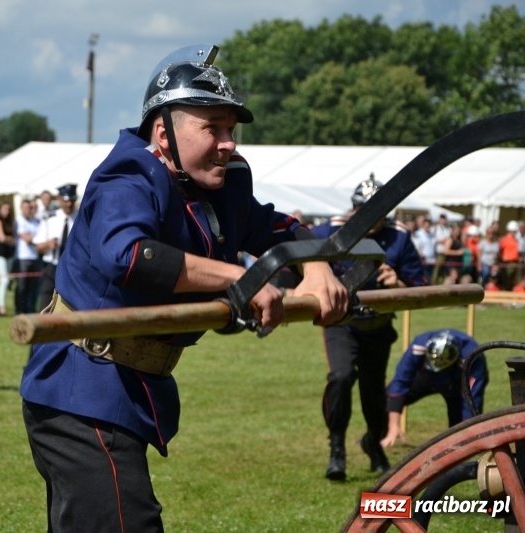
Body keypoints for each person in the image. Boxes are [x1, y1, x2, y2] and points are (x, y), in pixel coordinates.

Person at [19, 44, 347, 531]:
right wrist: (240, 277)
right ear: (163, 132)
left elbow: (278, 228)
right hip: (79, 388)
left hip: (127, 386)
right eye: (211, 127)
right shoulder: (128, 177)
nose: (228, 142)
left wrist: (316, 267)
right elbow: (128, 255)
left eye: (231, 129)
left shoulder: (220, 186)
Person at [311, 175, 428, 481]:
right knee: (341, 376)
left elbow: (420, 286)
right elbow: (298, 253)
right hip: (342, 322)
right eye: (366, 210)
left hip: (377, 324)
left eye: (380, 210)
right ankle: (336, 449)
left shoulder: (399, 238)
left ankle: (374, 443)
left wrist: (398, 284)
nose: (373, 217)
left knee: (374, 393)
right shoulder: (330, 230)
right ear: (354, 210)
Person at [381, 329, 488, 448]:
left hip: (456, 383)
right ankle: (375, 439)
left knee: (460, 434)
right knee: (383, 399)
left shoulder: (473, 357)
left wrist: (468, 435)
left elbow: (472, 400)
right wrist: (393, 425)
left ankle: (458, 453)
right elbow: (400, 382)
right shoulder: (419, 345)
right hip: (426, 376)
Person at [33, 183, 78, 311]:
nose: (69, 204)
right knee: (46, 302)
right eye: (65, 201)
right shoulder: (50, 219)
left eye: (72, 201)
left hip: (72, 268)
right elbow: (37, 247)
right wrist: (48, 244)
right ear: (59, 200)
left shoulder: (80, 219)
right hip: (51, 267)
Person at [14, 198, 40, 314]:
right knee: (21, 286)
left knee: (33, 286)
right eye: (25, 207)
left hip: (35, 256)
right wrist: (38, 238)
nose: (28, 210)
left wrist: (34, 237)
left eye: (29, 208)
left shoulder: (36, 221)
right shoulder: (19, 221)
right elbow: (27, 239)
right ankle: (20, 309)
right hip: (23, 257)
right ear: (21, 208)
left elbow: (33, 238)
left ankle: (30, 308)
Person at [0, 201, 16, 316]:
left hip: (9, 254)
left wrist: (9, 239)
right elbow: (2, 238)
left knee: (8, 281)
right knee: (4, 281)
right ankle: (1, 308)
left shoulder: (10, 222)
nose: (6, 211)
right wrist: (11, 239)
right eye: (4, 209)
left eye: (8, 209)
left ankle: (3, 306)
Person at [499, 220, 521, 289]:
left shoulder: (516, 240)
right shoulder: (504, 239)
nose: (515, 233)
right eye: (514, 231)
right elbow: (500, 251)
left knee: (514, 280)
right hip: (507, 263)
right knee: (506, 279)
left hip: (515, 262)